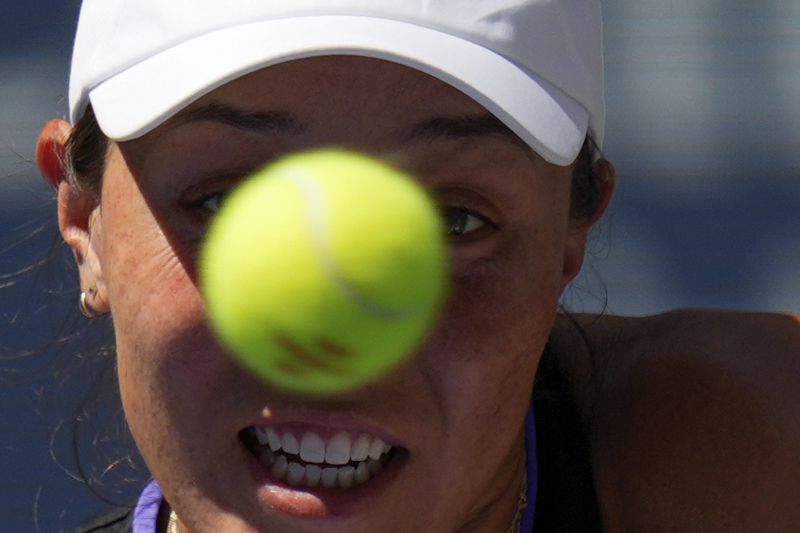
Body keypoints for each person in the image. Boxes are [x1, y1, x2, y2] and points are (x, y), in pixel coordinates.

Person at [34, 1, 800, 532]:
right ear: (82, 217)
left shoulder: (753, 447)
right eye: (226, 201)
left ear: (574, 231)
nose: (332, 345)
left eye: (452, 220)